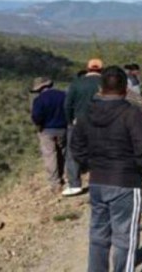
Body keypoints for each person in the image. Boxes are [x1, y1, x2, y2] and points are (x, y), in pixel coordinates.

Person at [71, 66, 142, 272]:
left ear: (100, 88)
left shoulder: (86, 113)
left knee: (98, 236)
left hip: (98, 181)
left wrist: (90, 166)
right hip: (126, 181)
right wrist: (140, 172)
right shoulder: (131, 113)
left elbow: (76, 146)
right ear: (125, 88)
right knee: (125, 237)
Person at [63, 58, 103, 196]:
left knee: (72, 152)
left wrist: (69, 121)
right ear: (101, 70)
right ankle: (99, 180)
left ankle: (75, 184)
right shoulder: (105, 83)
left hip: (79, 122)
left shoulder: (77, 84)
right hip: (101, 123)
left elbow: (67, 104)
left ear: (87, 69)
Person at [30, 77, 68, 193]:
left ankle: (55, 183)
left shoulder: (39, 100)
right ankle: (67, 177)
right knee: (64, 153)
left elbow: (36, 116)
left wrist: (39, 125)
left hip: (46, 130)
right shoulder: (63, 95)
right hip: (63, 128)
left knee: (50, 156)